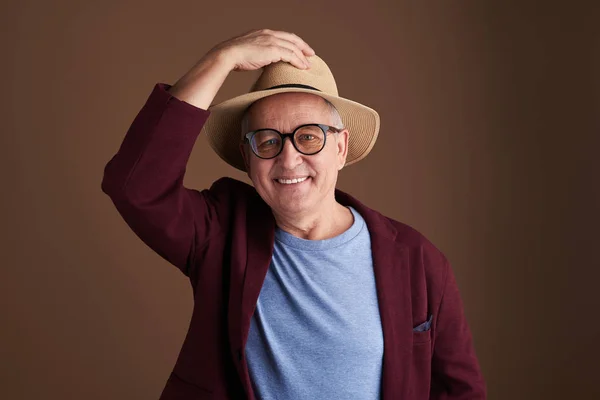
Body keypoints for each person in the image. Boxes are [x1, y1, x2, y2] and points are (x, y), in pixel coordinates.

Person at [101, 29, 486, 400]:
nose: (288, 159)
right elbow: (136, 186)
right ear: (248, 158)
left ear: (340, 148)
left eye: (309, 136)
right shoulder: (219, 232)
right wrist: (223, 59)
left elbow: (459, 391)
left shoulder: (418, 260)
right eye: (267, 140)